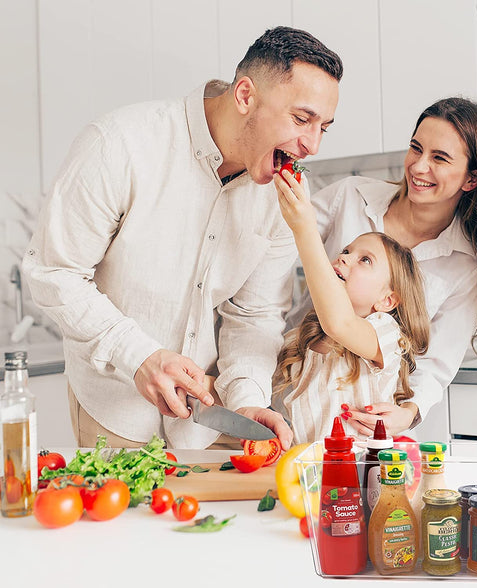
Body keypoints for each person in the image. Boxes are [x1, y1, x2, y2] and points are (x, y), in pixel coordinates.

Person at [22, 26, 343, 450]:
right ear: (245, 96)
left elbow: (254, 315)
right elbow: (54, 272)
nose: (313, 145)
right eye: (302, 119)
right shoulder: (121, 144)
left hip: (205, 418)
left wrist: (246, 399)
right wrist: (138, 356)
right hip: (114, 406)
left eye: (325, 127)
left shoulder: (283, 197)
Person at [286, 96, 477, 437]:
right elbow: (272, 252)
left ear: (471, 179)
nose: (418, 166)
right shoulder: (351, 195)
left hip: (361, 432)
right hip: (290, 395)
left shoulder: (465, 264)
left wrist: (407, 413)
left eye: (439, 158)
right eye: (416, 149)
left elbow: (436, 365)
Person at [273, 166, 430, 443]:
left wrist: (304, 229)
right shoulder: (303, 338)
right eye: (346, 251)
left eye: (365, 260)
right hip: (307, 475)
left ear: (387, 300)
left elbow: (340, 324)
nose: (344, 258)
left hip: (363, 477)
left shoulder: (386, 334)